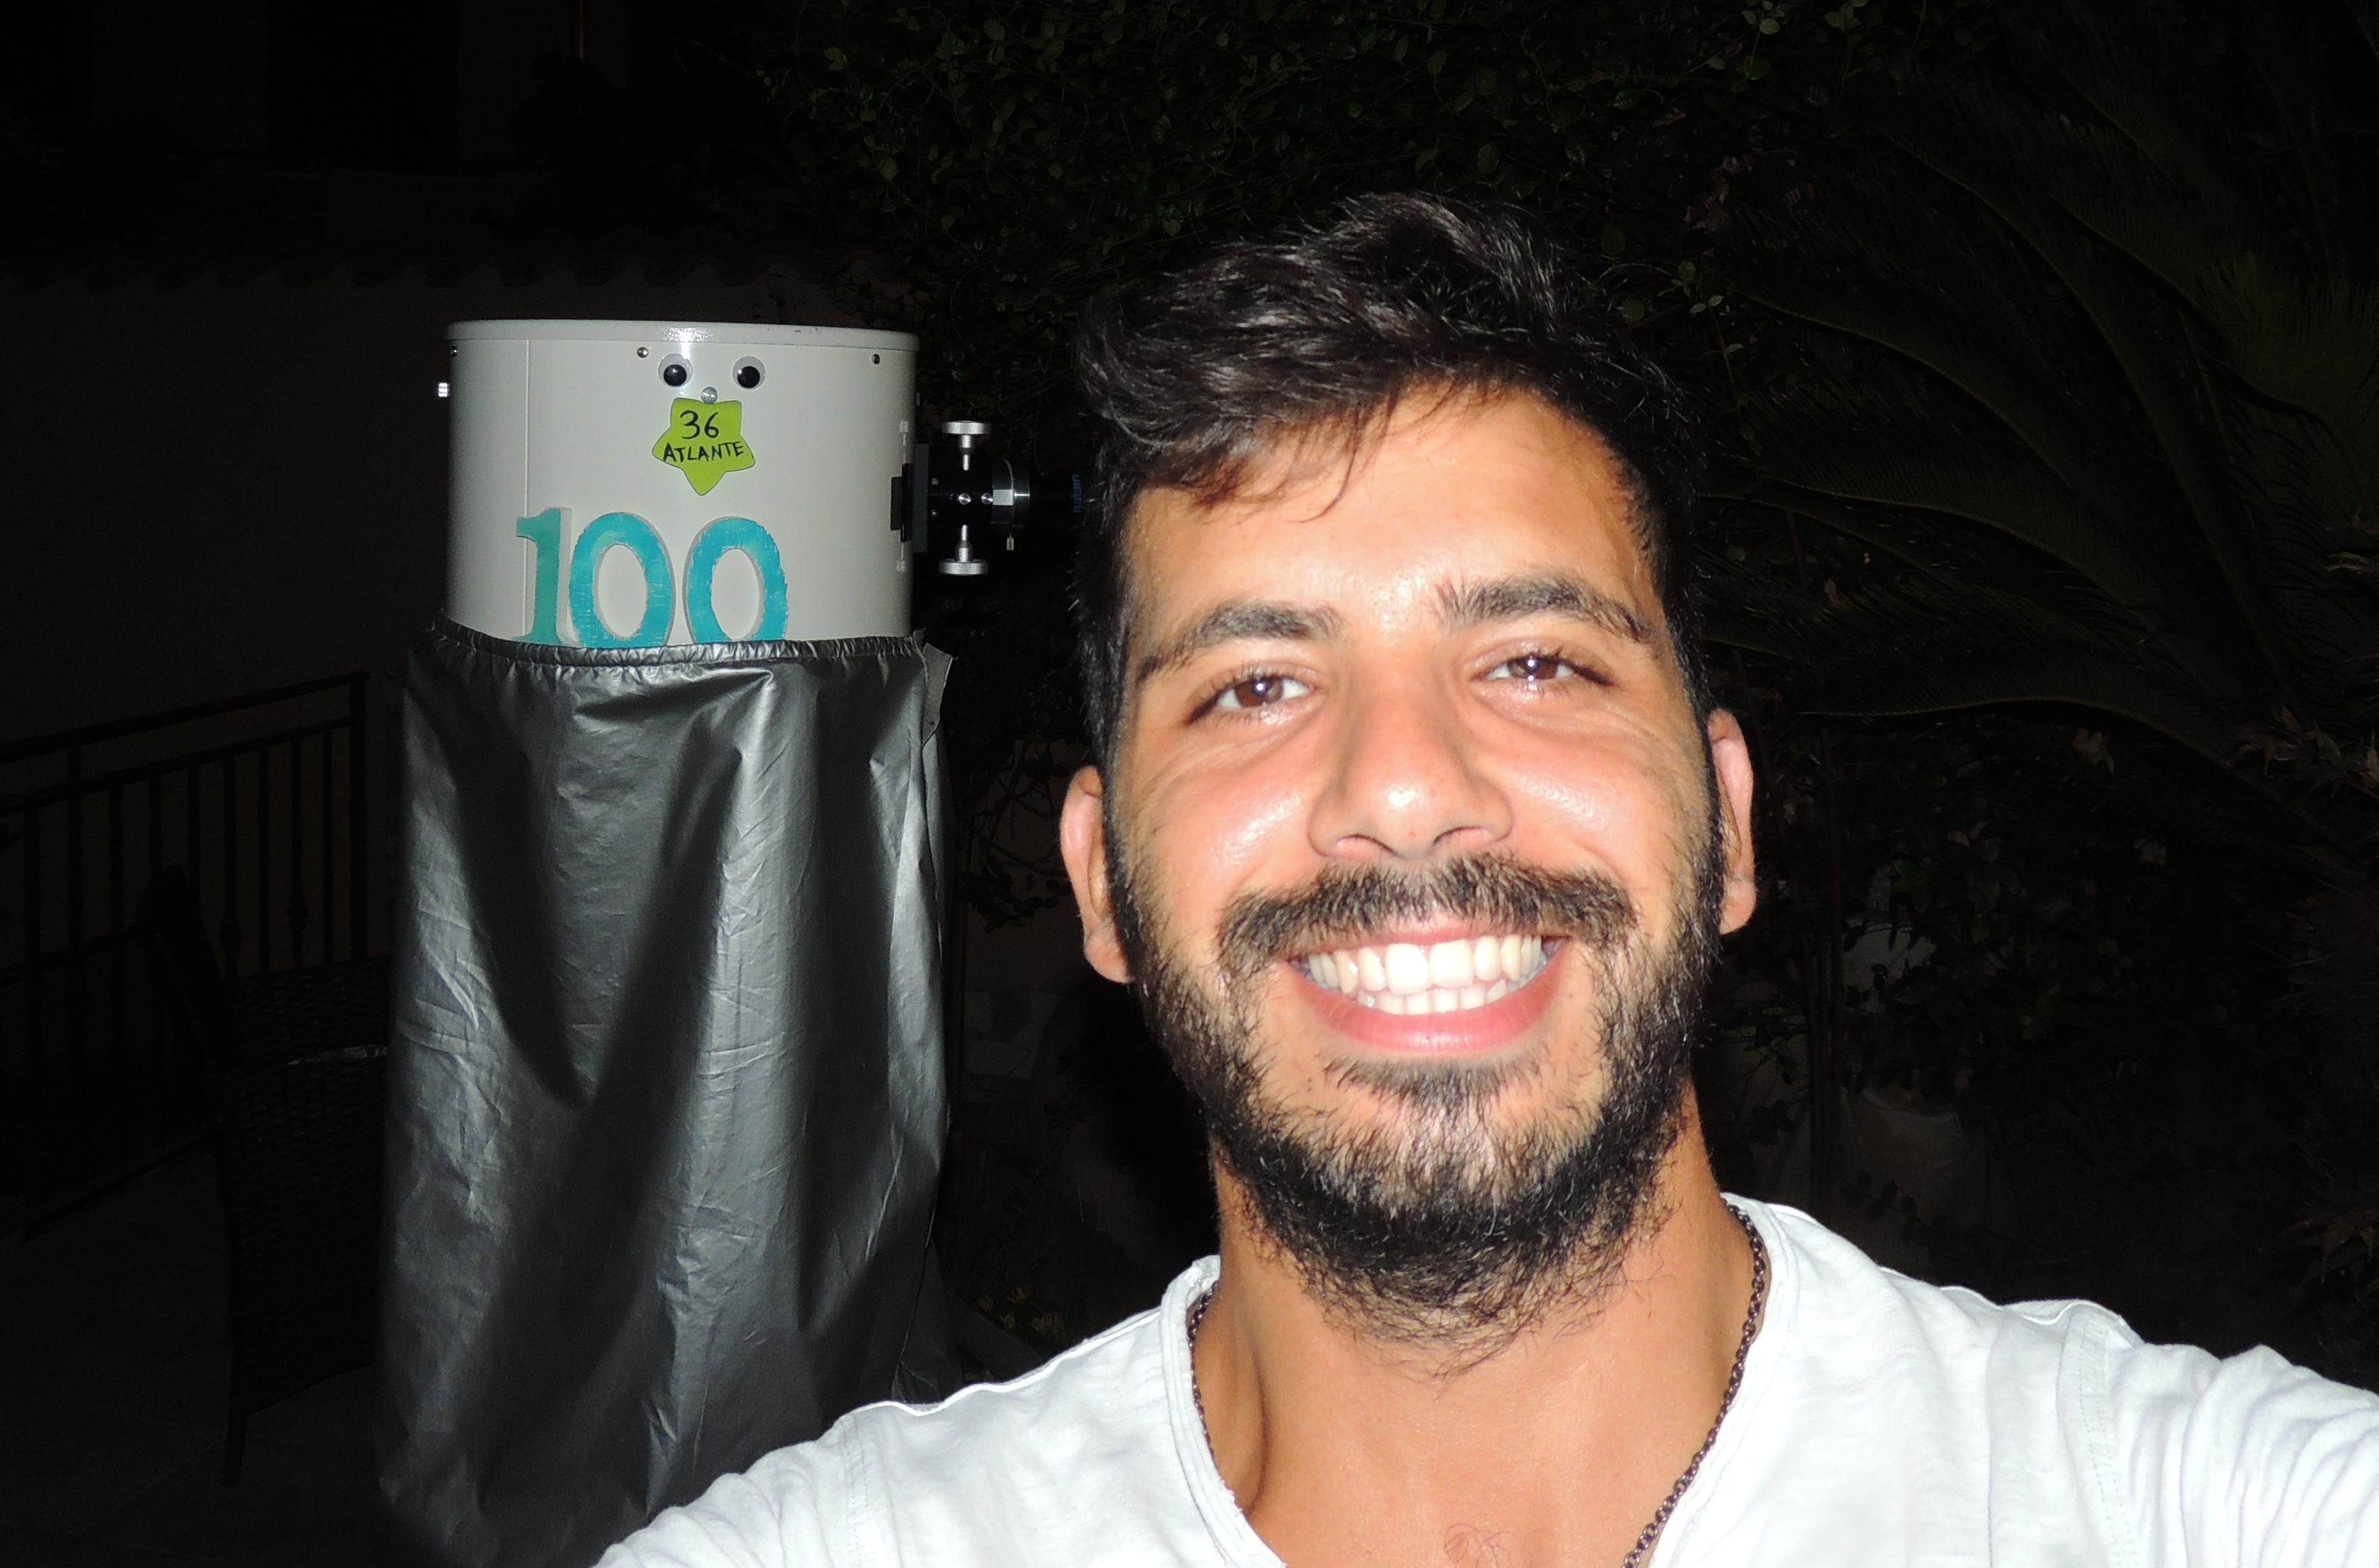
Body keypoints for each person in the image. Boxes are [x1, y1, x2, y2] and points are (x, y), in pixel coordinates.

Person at [600, 194, 2378, 1567]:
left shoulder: (2196, 1513)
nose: (1402, 790)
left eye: (1535, 661)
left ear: (1728, 822)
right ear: (1101, 884)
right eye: (1255, 686)